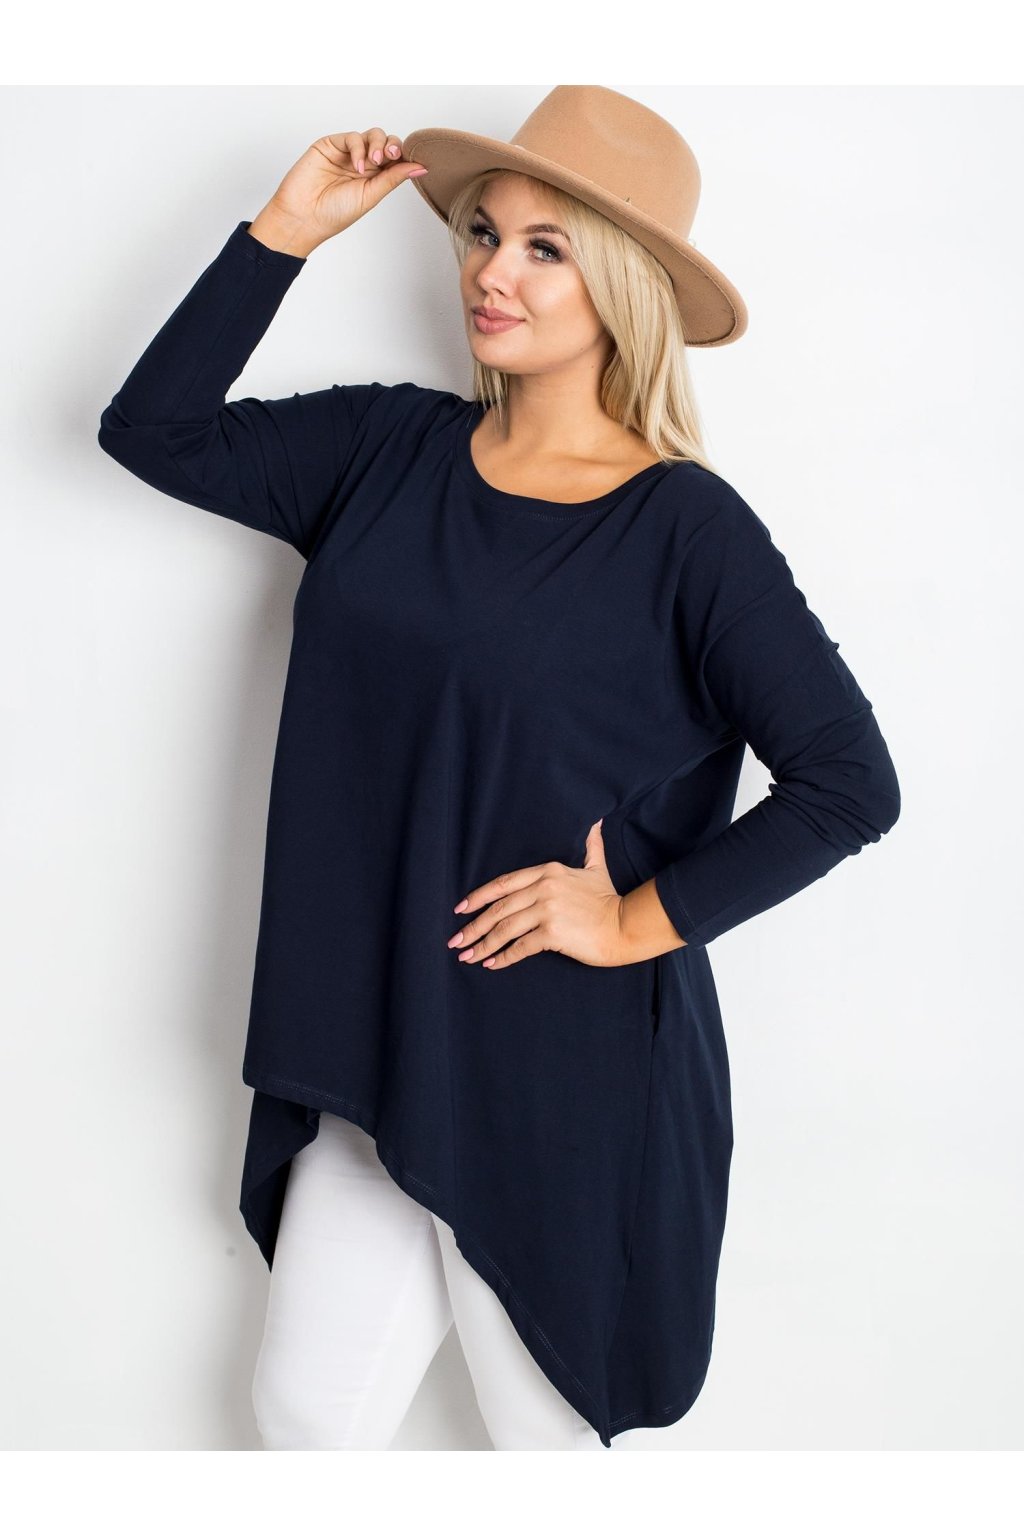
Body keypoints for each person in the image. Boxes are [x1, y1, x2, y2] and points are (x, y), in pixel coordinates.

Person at [97, 86, 901, 1451]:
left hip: (558, 1062)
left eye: (545, 248)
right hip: (374, 1029)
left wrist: (635, 920)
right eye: (483, 232)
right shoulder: (385, 450)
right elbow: (152, 432)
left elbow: (849, 781)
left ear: (622, 285)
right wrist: (283, 231)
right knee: (304, 1416)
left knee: (545, 1440)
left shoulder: (685, 529)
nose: (492, 272)